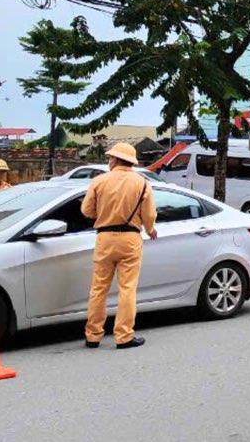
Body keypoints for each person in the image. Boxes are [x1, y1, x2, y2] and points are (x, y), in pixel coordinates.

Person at [81, 142, 157, 350]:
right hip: (130, 239)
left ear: (115, 159)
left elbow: (86, 210)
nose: (109, 161)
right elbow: (149, 214)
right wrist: (150, 229)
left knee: (98, 288)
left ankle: (93, 336)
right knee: (127, 289)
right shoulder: (142, 183)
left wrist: (104, 214)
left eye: (110, 158)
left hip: (104, 238)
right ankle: (124, 336)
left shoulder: (99, 181)